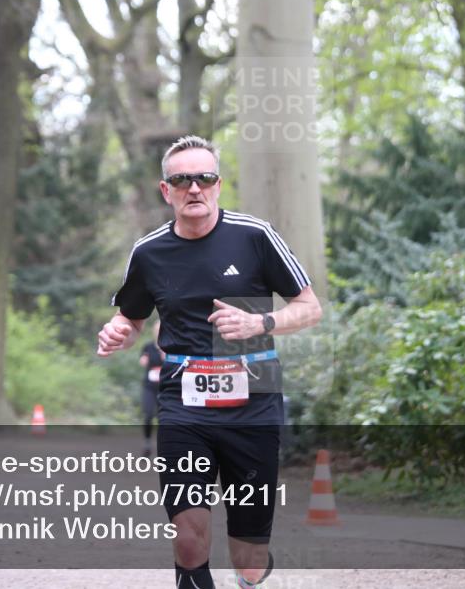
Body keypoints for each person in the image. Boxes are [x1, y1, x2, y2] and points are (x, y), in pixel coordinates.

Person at [97, 135, 322, 589]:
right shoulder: (149, 252)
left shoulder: (254, 236)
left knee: (249, 560)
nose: (194, 188)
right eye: (182, 180)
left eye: (205, 178)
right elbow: (131, 316)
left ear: (219, 184)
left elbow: (310, 307)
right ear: (167, 191)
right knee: (188, 540)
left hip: (254, 402)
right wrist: (119, 329)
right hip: (184, 405)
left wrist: (261, 324)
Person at [139, 320, 164, 457]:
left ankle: (163, 447)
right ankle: (147, 442)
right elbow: (142, 361)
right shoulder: (148, 347)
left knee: (163, 418)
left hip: (165, 388)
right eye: (157, 329)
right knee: (148, 414)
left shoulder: (169, 347)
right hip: (149, 387)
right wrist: (144, 360)